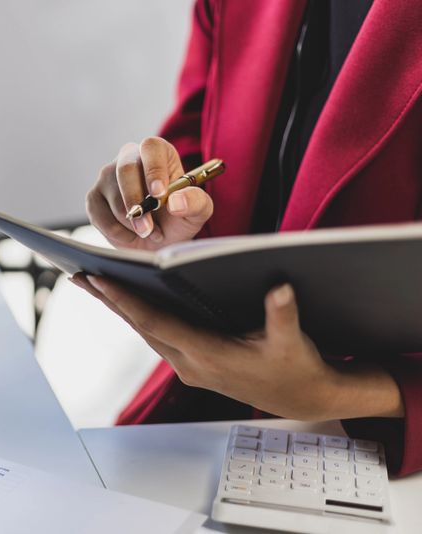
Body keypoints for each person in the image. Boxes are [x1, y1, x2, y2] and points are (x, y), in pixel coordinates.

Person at [75, 0, 422, 476]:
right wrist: (164, 214)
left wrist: (335, 393)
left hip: (376, 451)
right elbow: (198, 141)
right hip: (199, 417)